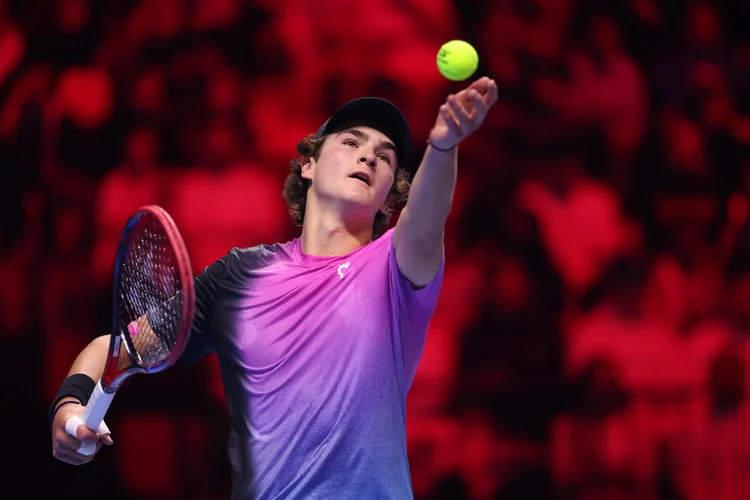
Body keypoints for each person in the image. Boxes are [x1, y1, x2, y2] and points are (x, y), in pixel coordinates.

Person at [49, 76, 499, 499]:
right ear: (308, 164)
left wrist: (442, 146)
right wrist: (69, 409)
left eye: (385, 157)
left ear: (389, 193)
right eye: (351, 143)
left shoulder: (393, 269)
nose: (369, 157)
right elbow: (117, 348)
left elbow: (424, 224)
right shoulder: (238, 278)